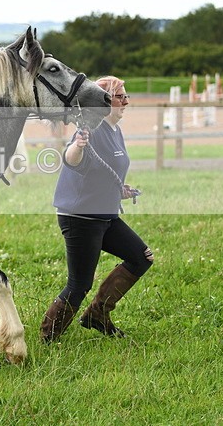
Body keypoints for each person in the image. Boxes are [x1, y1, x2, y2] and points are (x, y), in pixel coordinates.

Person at [41, 75, 153, 342]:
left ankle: (97, 315)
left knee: (141, 257)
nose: (126, 101)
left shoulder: (115, 129)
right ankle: (48, 336)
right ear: (104, 101)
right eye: (120, 97)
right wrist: (77, 147)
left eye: (126, 96)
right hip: (81, 218)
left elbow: (103, 171)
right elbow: (72, 160)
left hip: (105, 215)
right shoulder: (91, 128)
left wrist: (120, 190)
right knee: (79, 284)